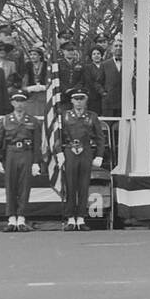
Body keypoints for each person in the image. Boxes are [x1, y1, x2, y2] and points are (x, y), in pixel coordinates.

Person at [0, 91, 42, 231]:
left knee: (25, 186)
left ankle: (21, 217)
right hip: (11, 154)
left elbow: (38, 143)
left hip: (27, 153)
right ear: (12, 103)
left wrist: (36, 162)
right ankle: (11, 218)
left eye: (22, 101)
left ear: (25, 103)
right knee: (11, 185)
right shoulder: (5, 120)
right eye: (16, 101)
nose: (19, 104)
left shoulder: (33, 121)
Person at [60, 89, 106, 231]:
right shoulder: (65, 116)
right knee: (70, 184)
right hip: (70, 150)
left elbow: (99, 137)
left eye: (82, 98)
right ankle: (70, 218)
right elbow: (58, 136)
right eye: (76, 99)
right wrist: (58, 152)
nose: (79, 102)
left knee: (84, 185)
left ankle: (80, 218)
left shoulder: (92, 116)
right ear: (72, 101)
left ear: (86, 100)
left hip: (86, 150)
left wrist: (99, 155)